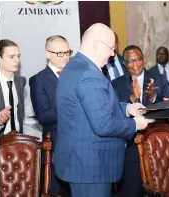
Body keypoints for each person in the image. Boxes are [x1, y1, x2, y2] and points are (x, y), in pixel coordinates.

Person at [53, 23, 153, 197]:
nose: (113, 54)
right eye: (111, 48)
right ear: (98, 44)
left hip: (79, 161)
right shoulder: (89, 74)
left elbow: (90, 108)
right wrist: (135, 124)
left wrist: (127, 108)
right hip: (90, 166)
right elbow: (103, 124)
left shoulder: (74, 66)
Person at [112, 45, 169, 197]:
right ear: (125, 64)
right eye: (130, 61)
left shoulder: (160, 79)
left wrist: (153, 98)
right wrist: (132, 99)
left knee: (159, 189)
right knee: (132, 190)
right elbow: (113, 113)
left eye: (138, 59)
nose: (135, 64)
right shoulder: (116, 84)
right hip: (131, 146)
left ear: (143, 59)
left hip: (157, 145)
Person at [29, 35, 72, 196]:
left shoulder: (75, 75)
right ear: (47, 54)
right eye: (60, 53)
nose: (65, 57)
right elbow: (43, 116)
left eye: (67, 52)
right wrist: (73, 110)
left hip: (79, 146)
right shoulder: (39, 79)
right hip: (55, 145)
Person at [0, 39, 26, 137]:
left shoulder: (21, 82)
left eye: (18, 56)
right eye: (11, 57)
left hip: (18, 139)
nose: (17, 60)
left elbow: (19, 114)